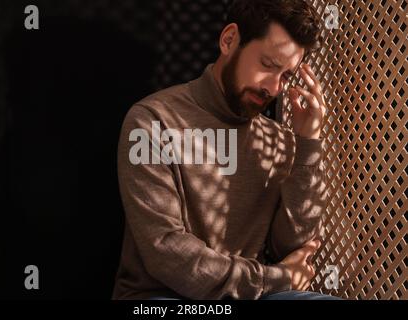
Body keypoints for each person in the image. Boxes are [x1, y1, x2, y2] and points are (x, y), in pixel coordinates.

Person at [112, 0, 340, 300]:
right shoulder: (152, 122)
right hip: (161, 298)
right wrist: (279, 278)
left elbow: (292, 245)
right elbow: (166, 254)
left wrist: (308, 142)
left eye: (286, 76)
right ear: (229, 39)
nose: (274, 88)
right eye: (268, 65)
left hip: (248, 294)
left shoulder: (275, 139)